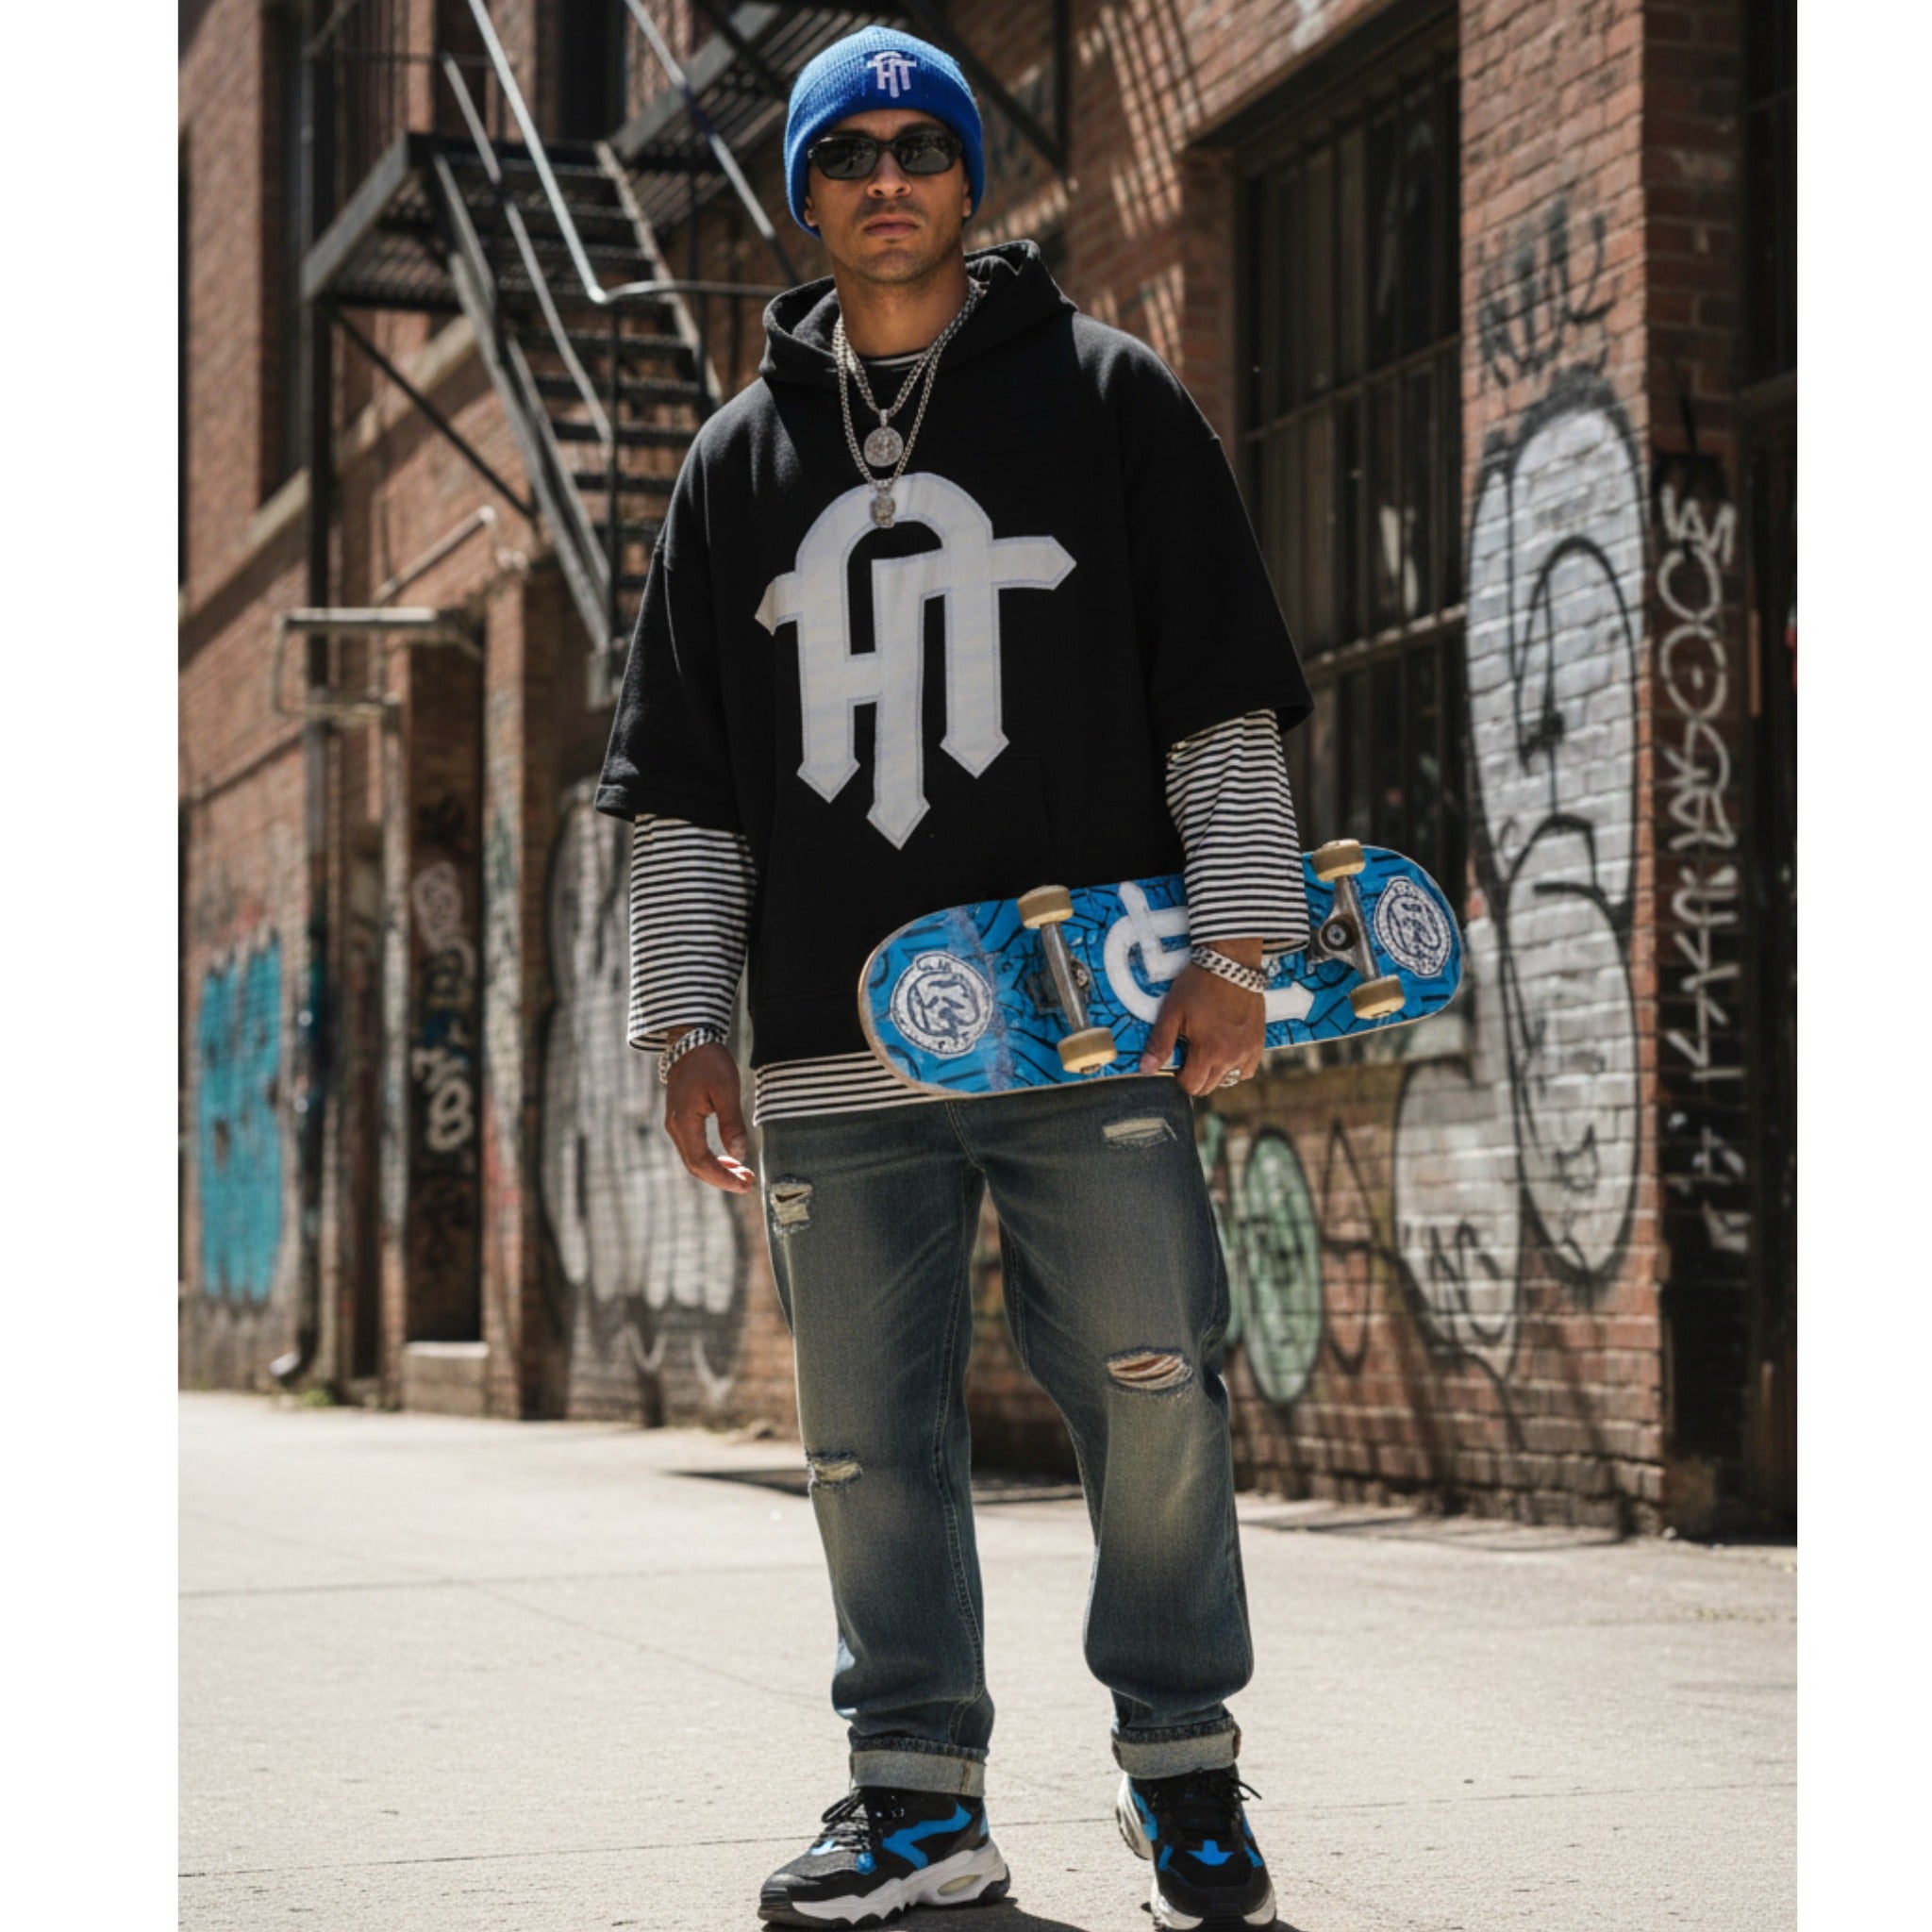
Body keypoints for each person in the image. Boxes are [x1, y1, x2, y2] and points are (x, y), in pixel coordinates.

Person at [595, 26, 1310, 1929]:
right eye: (850, 153)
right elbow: (682, 783)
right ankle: (915, 1798)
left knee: (1153, 1392)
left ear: (967, 179)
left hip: (1084, 1020)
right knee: (863, 1437)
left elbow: (1217, 695)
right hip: (832, 1043)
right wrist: (682, 1028)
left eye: (925, 145)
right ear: (805, 196)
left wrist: (1237, 947)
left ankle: (1185, 1772)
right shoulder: (737, 466)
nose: (889, 175)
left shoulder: (1104, 399)